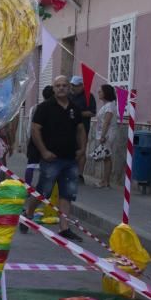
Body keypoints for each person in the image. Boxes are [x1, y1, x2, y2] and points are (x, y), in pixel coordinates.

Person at [22, 76, 86, 239]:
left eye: (64, 85)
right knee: (44, 192)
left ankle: (64, 228)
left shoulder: (74, 108)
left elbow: (80, 129)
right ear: (53, 88)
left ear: (69, 88)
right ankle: (28, 213)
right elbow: (35, 130)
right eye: (58, 86)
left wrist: (82, 149)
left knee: (67, 193)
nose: (61, 88)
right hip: (51, 159)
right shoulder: (44, 108)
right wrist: (43, 151)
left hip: (70, 158)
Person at [24, 85, 54, 186]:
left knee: (31, 164)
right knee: (46, 165)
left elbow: (30, 126)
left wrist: (29, 138)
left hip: (34, 139)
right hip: (47, 140)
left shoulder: (34, 108)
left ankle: (28, 186)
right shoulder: (54, 109)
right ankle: (44, 188)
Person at [70, 75, 97, 183]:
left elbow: (92, 112)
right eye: (72, 85)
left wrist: (78, 114)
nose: (73, 88)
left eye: (75, 86)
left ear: (82, 86)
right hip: (69, 127)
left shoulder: (89, 96)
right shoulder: (69, 96)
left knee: (81, 150)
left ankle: (79, 174)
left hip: (83, 128)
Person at [91, 84, 118, 188]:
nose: (98, 93)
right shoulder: (106, 105)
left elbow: (106, 122)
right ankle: (104, 180)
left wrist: (102, 136)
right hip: (104, 134)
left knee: (106, 157)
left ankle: (105, 181)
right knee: (106, 157)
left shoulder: (110, 106)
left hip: (107, 134)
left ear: (106, 93)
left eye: (100, 91)